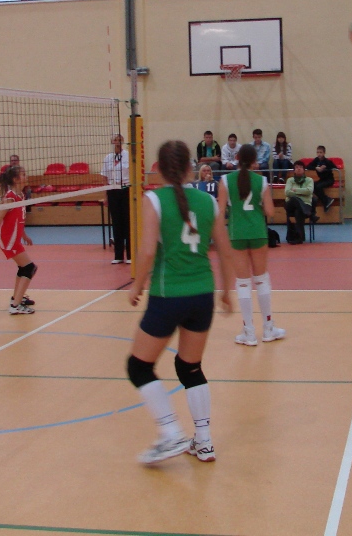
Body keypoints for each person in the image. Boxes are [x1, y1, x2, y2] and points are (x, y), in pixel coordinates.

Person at [126, 140, 233, 465]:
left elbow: (147, 251)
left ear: (158, 169)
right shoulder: (208, 201)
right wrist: (227, 291)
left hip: (168, 295)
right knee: (190, 367)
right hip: (202, 294)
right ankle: (204, 441)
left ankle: (171, 432)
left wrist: (137, 285)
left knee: (138, 367)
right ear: (190, 168)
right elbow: (225, 249)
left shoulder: (154, 199)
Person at [217, 143, 285, 345]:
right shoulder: (261, 181)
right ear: (255, 161)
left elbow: (219, 213)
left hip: (237, 234)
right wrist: (258, 207)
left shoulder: (225, 181)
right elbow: (271, 212)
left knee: (243, 282)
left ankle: (248, 332)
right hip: (257, 232)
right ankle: (268, 328)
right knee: (261, 279)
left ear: (237, 158)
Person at [0, 166, 37, 314]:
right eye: (23, 174)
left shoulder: (21, 195)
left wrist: (24, 235)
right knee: (29, 268)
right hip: (8, 239)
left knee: (24, 268)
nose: (26, 176)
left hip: (14, 239)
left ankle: (17, 297)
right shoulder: (10, 198)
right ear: (15, 179)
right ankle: (15, 305)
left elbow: (19, 219)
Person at [102, 134, 131, 265]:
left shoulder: (128, 156)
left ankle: (130, 255)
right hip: (112, 190)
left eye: (119, 140)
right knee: (116, 222)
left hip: (125, 189)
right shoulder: (108, 158)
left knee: (127, 222)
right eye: (115, 140)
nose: (117, 142)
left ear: (122, 142)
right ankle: (118, 255)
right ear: (112, 142)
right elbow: (104, 178)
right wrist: (105, 196)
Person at [283, 162, 316, 244]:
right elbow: (287, 192)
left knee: (298, 212)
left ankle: (299, 237)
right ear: (294, 170)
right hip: (290, 205)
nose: (298, 168)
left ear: (304, 170)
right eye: (296, 167)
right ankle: (309, 214)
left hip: (306, 205)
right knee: (294, 199)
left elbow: (309, 191)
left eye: (300, 167)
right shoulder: (290, 180)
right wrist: (302, 193)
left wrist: (295, 190)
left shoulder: (309, 180)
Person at [306, 146, 339, 212]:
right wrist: (316, 168)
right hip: (322, 179)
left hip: (329, 180)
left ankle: (326, 201)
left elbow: (335, 167)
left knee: (318, 187)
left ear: (324, 153)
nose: (319, 154)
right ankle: (326, 200)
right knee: (312, 185)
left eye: (321, 152)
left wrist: (326, 167)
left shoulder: (327, 161)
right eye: (318, 152)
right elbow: (308, 166)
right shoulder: (316, 160)